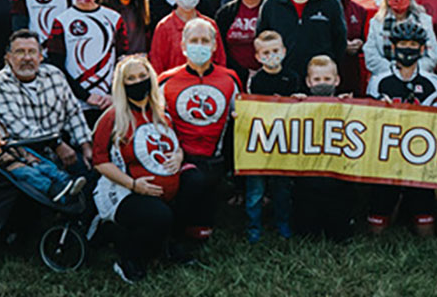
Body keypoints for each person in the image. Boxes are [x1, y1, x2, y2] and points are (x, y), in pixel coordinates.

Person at [91, 56, 208, 283]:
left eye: (143, 76)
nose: (138, 82)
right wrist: (133, 185)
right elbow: (99, 161)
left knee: (195, 180)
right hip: (123, 189)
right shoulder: (112, 117)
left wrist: (178, 156)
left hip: (160, 187)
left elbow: (174, 146)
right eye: (131, 78)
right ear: (121, 84)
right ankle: (129, 257)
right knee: (159, 215)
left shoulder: (161, 113)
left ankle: (169, 243)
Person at [158, 19, 239, 241]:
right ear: (183, 45)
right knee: (193, 187)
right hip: (180, 160)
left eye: (205, 40)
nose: (200, 45)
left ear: (214, 45)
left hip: (215, 159)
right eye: (194, 40)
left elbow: (243, 117)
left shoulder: (230, 79)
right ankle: (172, 232)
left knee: (203, 232)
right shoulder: (165, 80)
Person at [364, 25, 437, 236]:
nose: (407, 49)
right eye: (403, 45)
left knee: (425, 229)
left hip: (420, 156)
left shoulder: (432, 83)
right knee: (376, 229)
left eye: (412, 45)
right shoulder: (379, 81)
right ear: (393, 47)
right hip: (388, 156)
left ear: (421, 48)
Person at [0, 30, 93, 172]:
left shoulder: (54, 74)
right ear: (8, 58)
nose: (27, 58)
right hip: (27, 154)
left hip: (64, 149)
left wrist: (85, 146)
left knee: (92, 171)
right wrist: (56, 144)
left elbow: (73, 112)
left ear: (40, 56)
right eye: (19, 52)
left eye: (32, 52)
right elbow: (17, 127)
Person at [46, 0, 128, 124]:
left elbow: (122, 60)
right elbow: (56, 66)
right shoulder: (61, 21)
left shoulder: (114, 19)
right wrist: (86, 96)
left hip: (108, 102)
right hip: (76, 103)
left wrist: (113, 94)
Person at [243, 30, 300, 242]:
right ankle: (253, 227)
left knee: (282, 188)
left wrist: (297, 100)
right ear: (258, 56)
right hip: (259, 142)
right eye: (266, 52)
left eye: (275, 51)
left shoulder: (292, 77)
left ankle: (283, 224)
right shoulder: (256, 80)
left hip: (284, 143)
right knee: (255, 189)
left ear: (284, 51)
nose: (271, 55)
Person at [258, 0, 348, 79]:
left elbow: (339, 42)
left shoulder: (331, 4)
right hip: (281, 78)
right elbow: (262, 40)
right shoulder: (271, 5)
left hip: (318, 80)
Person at [291, 56, 354, 240]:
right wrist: (291, 105)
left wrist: (350, 106)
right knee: (307, 234)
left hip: (338, 179)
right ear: (308, 82)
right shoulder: (299, 105)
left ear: (337, 80)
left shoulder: (347, 105)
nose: (322, 83)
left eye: (327, 79)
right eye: (317, 80)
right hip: (308, 180)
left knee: (340, 235)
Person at [0, 114, 86, 202]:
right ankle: (53, 190)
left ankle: (67, 181)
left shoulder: (9, 141)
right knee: (31, 175)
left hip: (27, 162)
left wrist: (32, 160)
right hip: (12, 168)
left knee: (47, 167)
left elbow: (24, 152)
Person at [149, 0, 226, 73]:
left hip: (207, 85)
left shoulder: (209, 25)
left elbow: (220, 60)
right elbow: (157, 64)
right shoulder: (164, 27)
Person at [364, 0, 437, 77]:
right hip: (384, 75)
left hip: (419, 76)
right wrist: (394, 72)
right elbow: (371, 56)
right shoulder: (376, 22)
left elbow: (432, 54)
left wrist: (410, 72)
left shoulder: (424, 21)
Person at [318, 0, 368, 94]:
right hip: (323, 75)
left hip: (350, 73)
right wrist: (340, 45)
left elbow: (366, 39)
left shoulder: (359, 11)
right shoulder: (317, 8)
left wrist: (359, 44)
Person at [215, 0, 267, 81]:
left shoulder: (272, 9)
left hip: (267, 73)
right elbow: (220, 48)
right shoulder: (226, 13)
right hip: (233, 74)